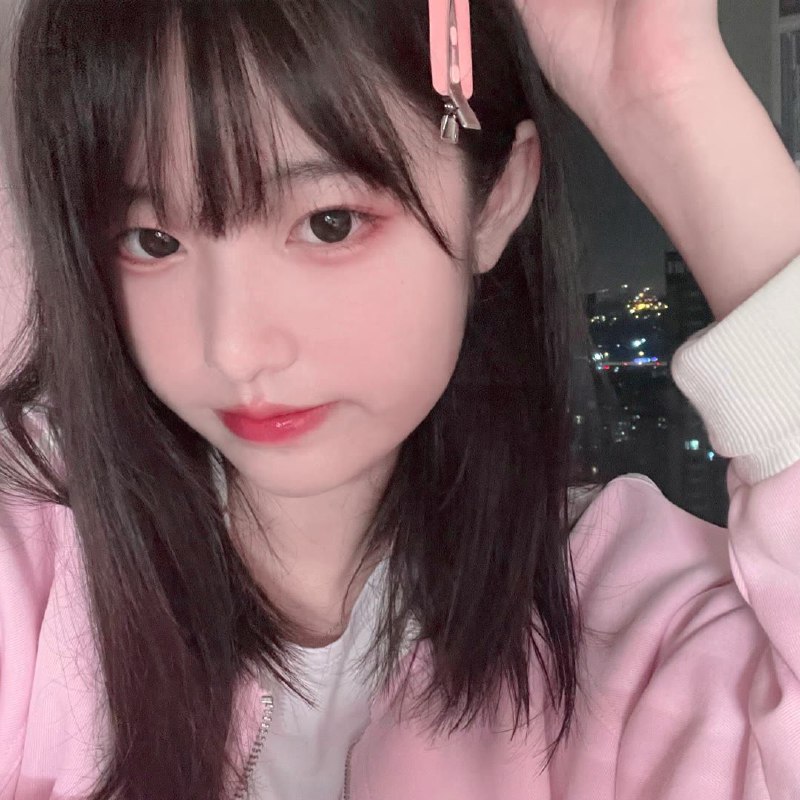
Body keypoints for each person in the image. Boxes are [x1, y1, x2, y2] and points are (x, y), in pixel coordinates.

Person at [0, 0, 798, 798]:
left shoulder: (625, 622)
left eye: (329, 223)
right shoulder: (34, 565)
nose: (234, 348)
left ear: (494, 200)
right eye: (154, 241)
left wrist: (671, 96)